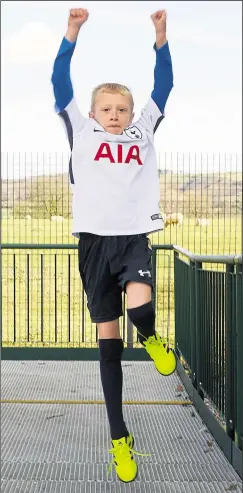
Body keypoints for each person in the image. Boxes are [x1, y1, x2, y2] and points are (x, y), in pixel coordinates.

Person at [51, 7, 176, 483]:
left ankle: (151, 335)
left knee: (142, 310)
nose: (116, 115)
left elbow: (162, 88)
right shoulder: (81, 130)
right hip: (93, 246)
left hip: (132, 237)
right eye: (107, 108)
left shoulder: (142, 129)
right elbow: (59, 80)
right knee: (109, 345)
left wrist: (160, 38)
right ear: (93, 111)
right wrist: (71, 35)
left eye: (122, 109)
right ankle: (120, 438)